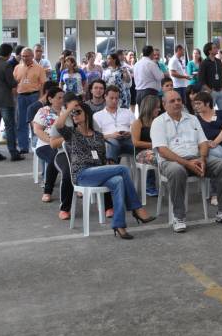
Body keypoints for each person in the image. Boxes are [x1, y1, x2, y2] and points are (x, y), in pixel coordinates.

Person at [55, 98, 155, 238]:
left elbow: (101, 159)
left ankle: (119, 224)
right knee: (123, 169)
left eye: (78, 112)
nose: (74, 115)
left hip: (97, 172)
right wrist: (68, 109)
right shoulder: (72, 133)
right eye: (73, 113)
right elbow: (58, 125)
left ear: (87, 114)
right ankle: (136, 208)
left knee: (118, 180)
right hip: (82, 174)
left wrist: (107, 165)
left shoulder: (98, 136)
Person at [151, 91, 222, 232]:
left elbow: (203, 142)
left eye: (179, 100)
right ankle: (179, 217)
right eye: (172, 101)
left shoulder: (192, 119)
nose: (177, 103)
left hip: (197, 158)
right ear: (164, 104)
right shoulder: (158, 122)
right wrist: (187, 163)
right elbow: (162, 150)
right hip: (171, 161)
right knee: (177, 171)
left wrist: (203, 158)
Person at [0, 43, 23, 162]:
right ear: (8, 53)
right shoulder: (6, 66)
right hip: (5, 100)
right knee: (9, 126)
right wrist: (17, 80)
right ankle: (13, 152)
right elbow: (11, 83)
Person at [192, 91, 222, 180]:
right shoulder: (195, 119)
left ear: (207, 103)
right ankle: (218, 188)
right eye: (195, 104)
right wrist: (207, 143)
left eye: (199, 103)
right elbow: (195, 135)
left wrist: (215, 142)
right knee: (218, 157)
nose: (196, 106)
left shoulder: (220, 113)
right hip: (209, 145)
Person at [32, 86, 65, 203]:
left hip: (65, 144)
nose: (62, 100)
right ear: (50, 99)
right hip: (45, 144)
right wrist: (51, 141)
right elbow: (37, 130)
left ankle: (78, 184)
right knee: (55, 157)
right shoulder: (43, 111)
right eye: (59, 97)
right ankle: (47, 191)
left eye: (63, 97)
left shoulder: (67, 111)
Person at [93, 85, 135, 163]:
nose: (114, 101)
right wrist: (111, 135)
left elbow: (135, 129)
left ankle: (143, 166)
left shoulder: (127, 112)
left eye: (116, 98)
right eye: (111, 98)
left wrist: (130, 133)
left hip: (127, 140)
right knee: (112, 142)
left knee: (137, 144)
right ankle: (112, 166)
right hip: (109, 142)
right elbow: (95, 136)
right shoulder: (97, 115)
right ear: (105, 96)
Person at [131, 94, 161, 197]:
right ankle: (150, 185)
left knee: (168, 155)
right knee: (156, 157)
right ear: (150, 107)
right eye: (157, 107)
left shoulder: (158, 121)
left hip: (157, 149)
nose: (159, 109)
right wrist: (153, 145)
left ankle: (167, 181)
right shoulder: (138, 123)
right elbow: (135, 142)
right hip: (141, 152)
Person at [197, 42, 222, 113]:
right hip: (211, 92)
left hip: (221, 91)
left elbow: (221, 77)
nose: (217, 49)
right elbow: (201, 80)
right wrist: (210, 90)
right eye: (214, 48)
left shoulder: (218, 61)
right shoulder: (204, 63)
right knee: (210, 112)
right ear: (209, 51)